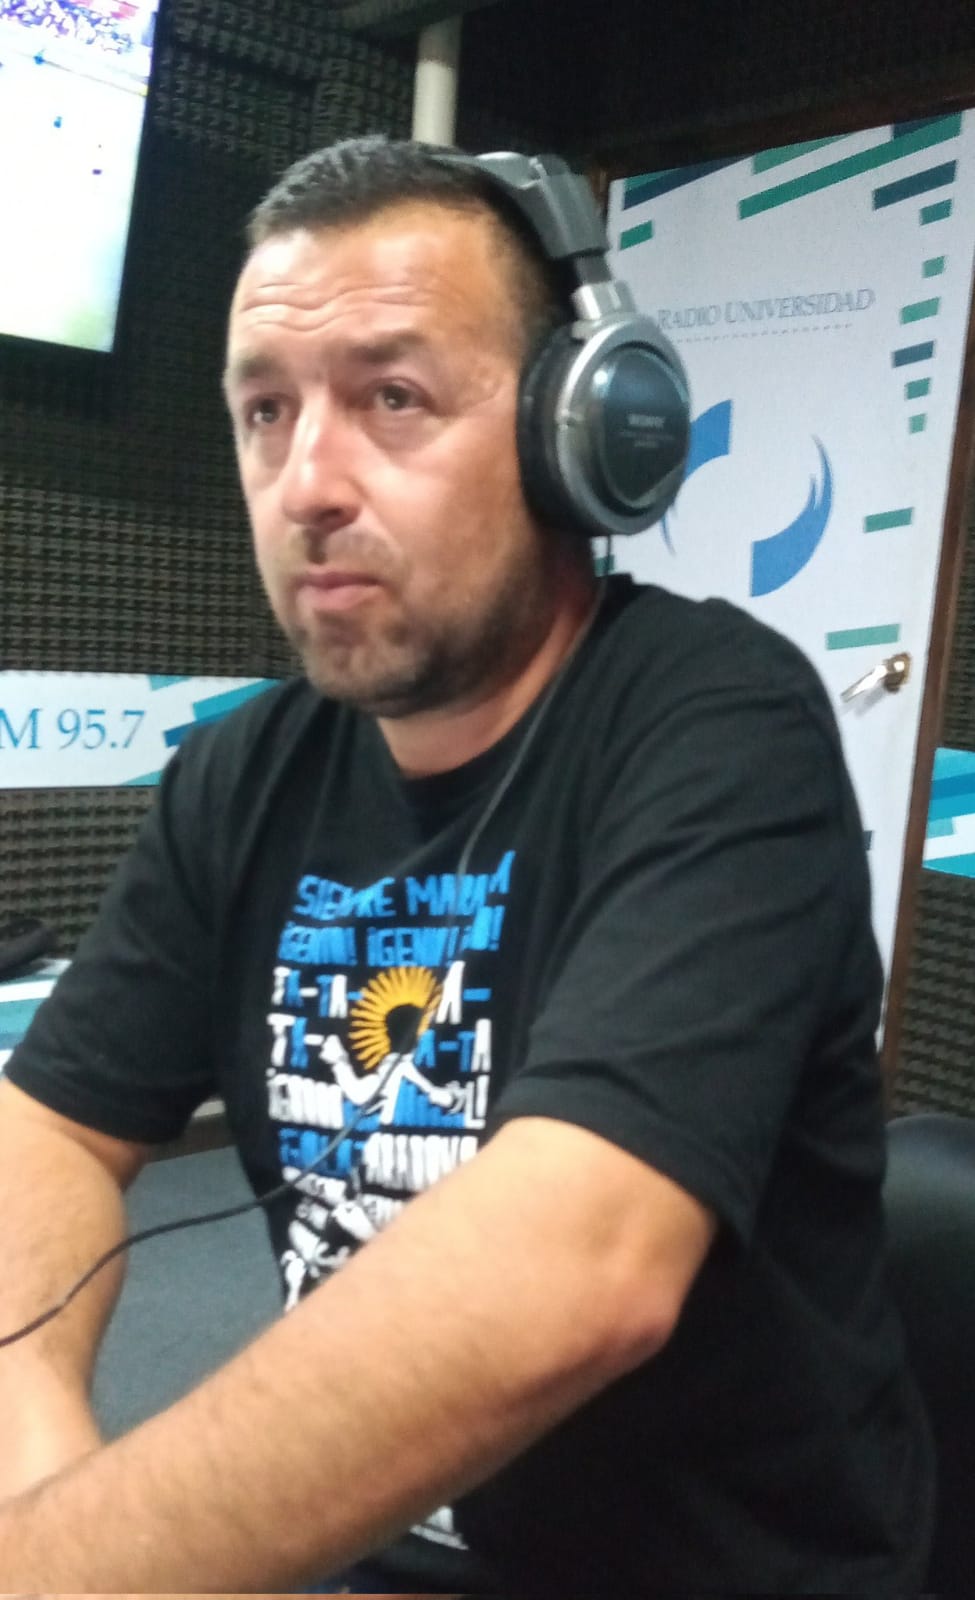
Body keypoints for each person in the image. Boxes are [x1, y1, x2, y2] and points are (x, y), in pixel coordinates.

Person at [0, 134, 934, 1594]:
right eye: (266, 410)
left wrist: (60, 1567)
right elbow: (47, 1132)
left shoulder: (717, 726)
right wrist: (34, 1467)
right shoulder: (246, 776)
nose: (307, 483)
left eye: (393, 398)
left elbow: (579, 1269)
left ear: (581, 434)